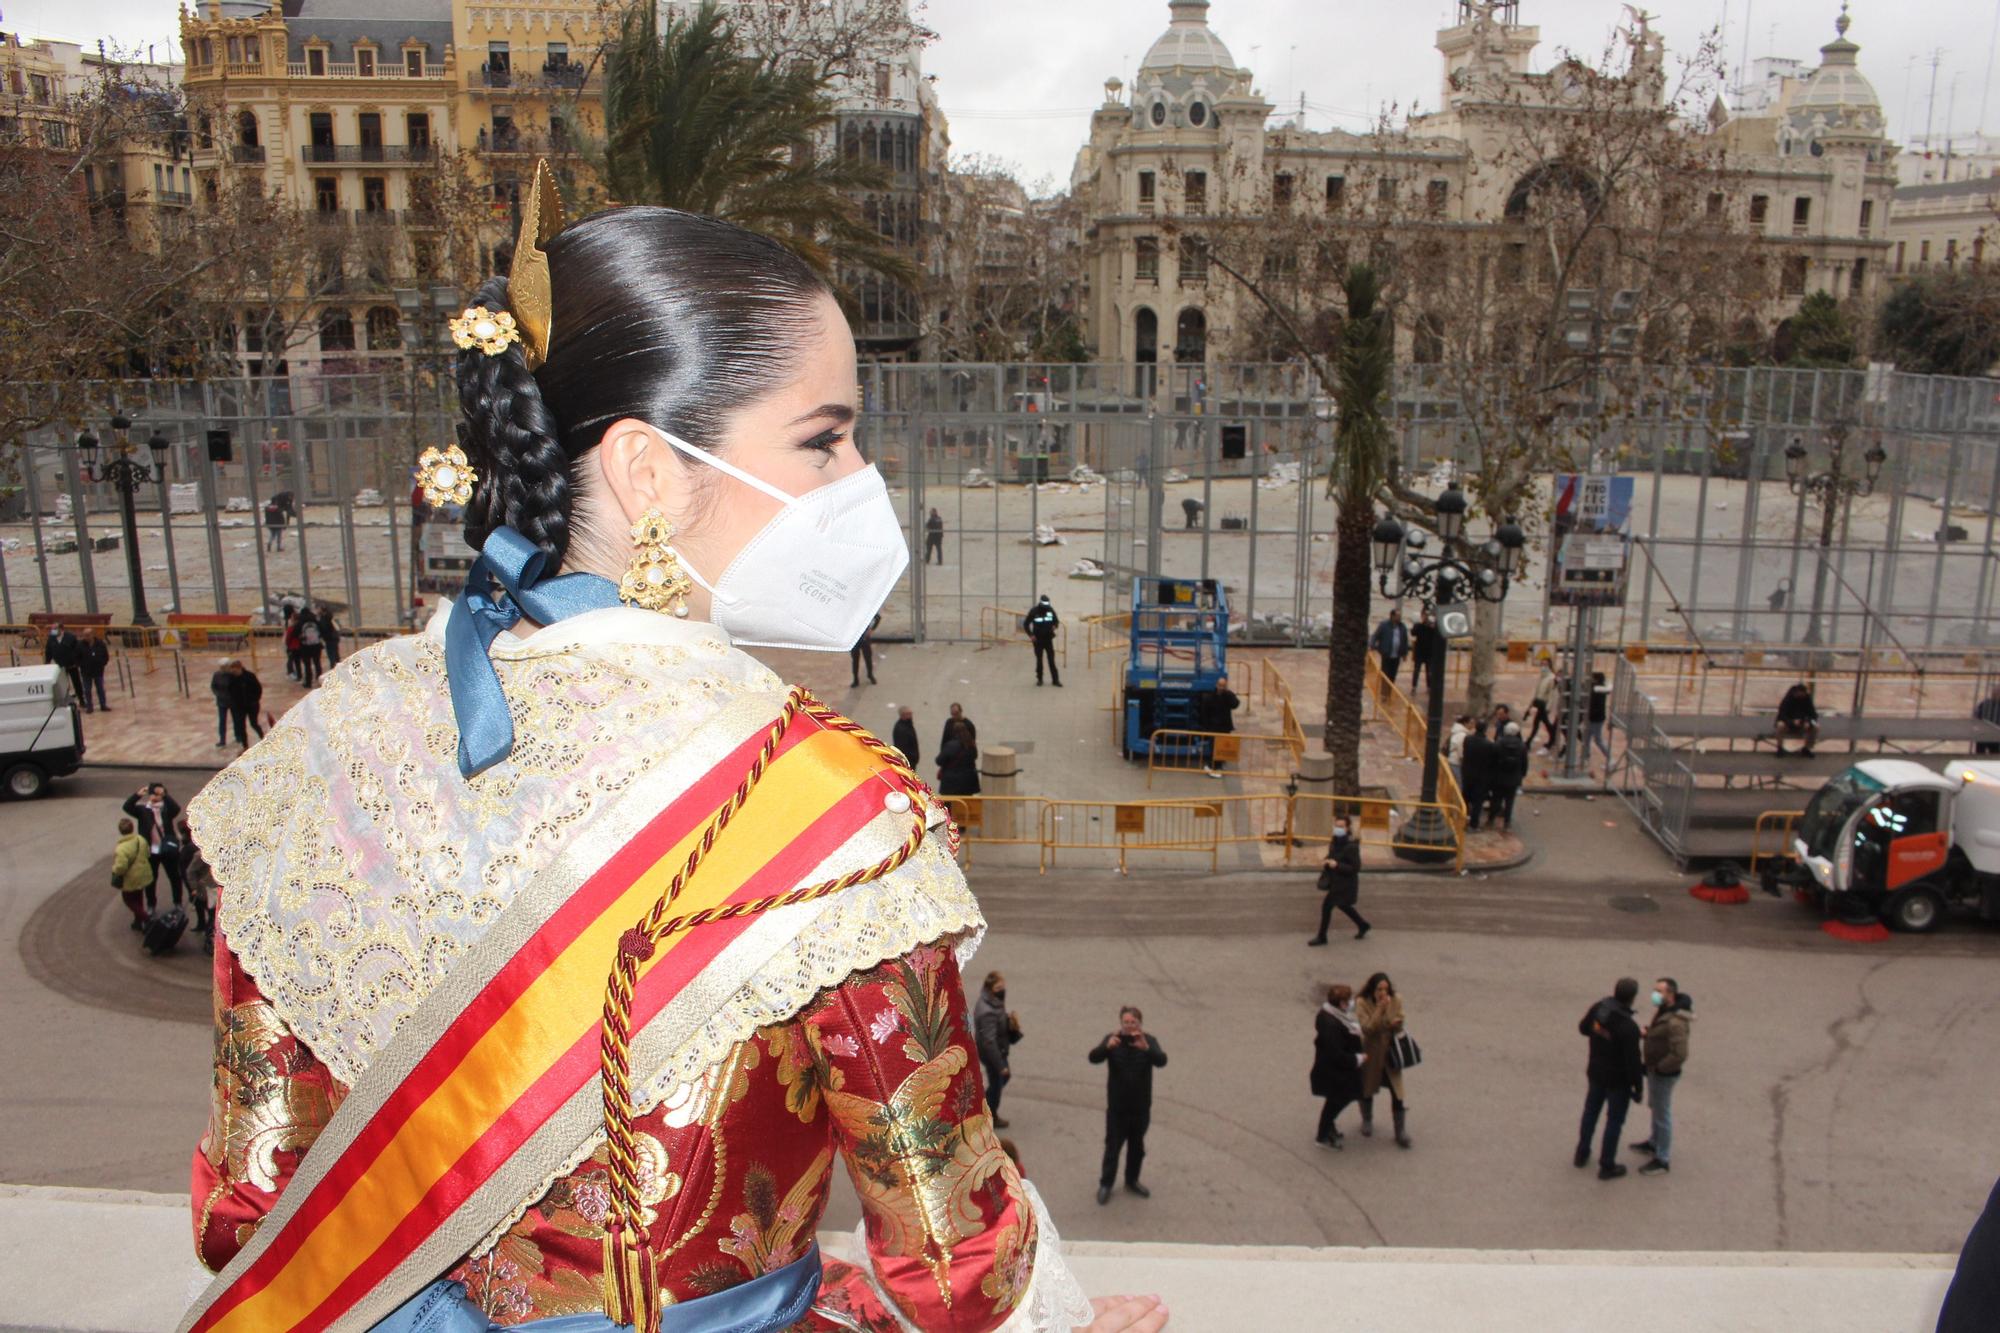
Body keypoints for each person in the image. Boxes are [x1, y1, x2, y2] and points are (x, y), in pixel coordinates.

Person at [179, 189, 1110, 1331]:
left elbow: (248, 1210)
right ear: (648, 473)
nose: (860, 476)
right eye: (823, 439)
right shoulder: (828, 812)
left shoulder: (323, 744)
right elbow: (960, 1268)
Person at [1090, 1005, 1167, 1204]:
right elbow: (1093, 1057)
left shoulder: (1148, 1041)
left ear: (1140, 1024)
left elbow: (1162, 1061)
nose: (1129, 1026)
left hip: (1140, 1108)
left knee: (1137, 1148)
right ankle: (1106, 1183)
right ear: (1121, 1023)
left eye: (1133, 1022)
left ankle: (1132, 1180)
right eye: (1126, 1022)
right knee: (1112, 1148)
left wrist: (1146, 1049)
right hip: (1117, 1109)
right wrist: (1107, 1047)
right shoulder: (1112, 1040)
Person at [1576, 977, 1645, 1180]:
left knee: (1590, 1113)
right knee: (1614, 1121)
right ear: (1632, 998)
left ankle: (1581, 1152)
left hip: (1596, 1072)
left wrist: (1599, 1036)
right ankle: (1607, 1165)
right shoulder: (1628, 1027)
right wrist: (1638, 1088)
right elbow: (1633, 1062)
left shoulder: (1600, 1009)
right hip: (1618, 1082)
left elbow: (1583, 1028)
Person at [1632, 979, 1692, 1176]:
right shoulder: (1666, 1011)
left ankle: (1662, 1159)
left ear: (1670, 994)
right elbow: (1661, 1035)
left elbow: (1680, 1054)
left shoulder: (1676, 1021)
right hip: (1654, 1069)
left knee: (1662, 1113)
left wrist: (1660, 1068)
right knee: (1656, 1107)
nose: (1654, 994)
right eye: (1654, 989)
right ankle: (1654, 1143)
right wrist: (1648, 1034)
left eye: (1659, 991)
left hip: (1663, 1073)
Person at [1357, 972, 1411, 1148]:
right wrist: (1380, 1010)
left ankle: (1400, 1131)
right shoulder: (1362, 1003)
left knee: (1397, 1093)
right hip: (1372, 1052)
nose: (1383, 993)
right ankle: (1367, 1119)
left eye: (1386, 989)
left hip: (1390, 1053)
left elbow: (1401, 1019)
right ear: (1372, 989)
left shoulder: (1395, 1000)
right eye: (1379, 989)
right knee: (1368, 1087)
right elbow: (1368, 1029)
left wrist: (1396, 1022)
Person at [1311, 985, 1366, 1150]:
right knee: (1336, 1102)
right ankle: (1323, 1136)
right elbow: (1337, 1054)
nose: (1351, 1003)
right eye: (1348, 1000)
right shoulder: (1332, 1025)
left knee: (1334, 1102)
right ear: (1341, 1003)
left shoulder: (1332, 1016)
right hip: (1336, 1074)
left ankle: (1329, 1129)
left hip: (1334, 1072)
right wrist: (1358, 1058)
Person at [123, 782, 185, 914]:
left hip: (168, 849)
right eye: (153, 794)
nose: (155, 797)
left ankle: (177, 902)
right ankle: (151, 904)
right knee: (151, 880)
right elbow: (127, 807)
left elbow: (176, 808)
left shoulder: (167, 809)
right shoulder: (143, 810)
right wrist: (138, 795)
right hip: (151, 851)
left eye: (158, 794)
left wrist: (165, 795)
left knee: (174, 877)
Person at [1308, 817, 1370, 944]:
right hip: (1335, 881)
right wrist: (1326, 860)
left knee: (1327, 906)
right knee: (1343, 905)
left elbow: (1355, 868)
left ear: (1347, 828)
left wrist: (1337, 865)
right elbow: (1332, 855)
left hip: (1345, 884)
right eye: (1336, 826)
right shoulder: (1334, 841)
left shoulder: (1351, 846)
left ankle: (1322, 937)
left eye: (1341, 827)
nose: (1338, 829)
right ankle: (1363, 924)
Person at [973, 970, 1020, 1128]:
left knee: (1001, 1081)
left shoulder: (992, 1002)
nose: (1003, 989)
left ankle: (982, 1107)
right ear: (991, 988)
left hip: (995, 1049)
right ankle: (988, 1113)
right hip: (993, 1053)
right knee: (998, 1083)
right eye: (999, 987)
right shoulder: (988, 1011)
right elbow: (989, 1041)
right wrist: (1001, 1066)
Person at [112, 816, 153, 931]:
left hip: (130, 878)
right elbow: (147, 853)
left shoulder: (121, 848)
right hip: (143, 874)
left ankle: (146, 919)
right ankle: (138, 921)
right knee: (138, 897)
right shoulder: (141, 840)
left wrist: (115, 870)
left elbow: (121, 867)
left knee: (128, 900)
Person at [1488, 721, 1528, 832]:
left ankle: (1491, 819)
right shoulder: (1522, 746)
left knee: (1496, 799)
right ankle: (1507, 822)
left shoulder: (1498, 744)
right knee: (1510, 801)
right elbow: (1524, 763)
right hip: (1514, 778)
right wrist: (1522, 775)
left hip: (1498, 777)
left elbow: (1492, 761)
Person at [1199, 674, 1239, 777]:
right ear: (1216, 685)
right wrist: (1206, 727)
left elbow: (1235, 704)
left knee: (1222, 747)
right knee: (1214, 747)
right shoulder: (1209, 698)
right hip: (1214, 727)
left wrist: (1229, 693)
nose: (1221, 688)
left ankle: (1219, 765)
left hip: (1224, 726)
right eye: (1220, 685)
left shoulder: (1227, 696)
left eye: (1223, 686)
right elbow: (1205, 713)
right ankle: (1213, 766)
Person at [1461, 721, 1496, 831]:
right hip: (1481, 777)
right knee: (1478, 801)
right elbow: (1491, 761)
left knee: (1465, 797)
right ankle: (1473, 824)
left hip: (1467, 774)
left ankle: (1463, 819)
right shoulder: (1489, 744)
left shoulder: (1468, 739)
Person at [224, 659, 265, 750]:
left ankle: (263, 737)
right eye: (232, 670)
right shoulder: (232, 678)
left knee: (253, 723)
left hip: (252, 706)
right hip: (239, 707)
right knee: (241, 726)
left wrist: (254, 700)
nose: (234, 672)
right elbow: (230, 690)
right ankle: (245, 746)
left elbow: (258, 689)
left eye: (235, 670)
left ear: (240, 668)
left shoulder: (250, 676)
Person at [937, 717, 981, 796]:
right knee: (965, 805)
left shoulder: (951, 745)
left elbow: (939, 761)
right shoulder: (971, 744)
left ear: (954, 731)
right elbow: (975, 756)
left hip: (951, 783)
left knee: (950, 806)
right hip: (968, 782)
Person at [43, 621, 85, 702]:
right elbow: (48, 650)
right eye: (52, 629)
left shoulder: (71, 637)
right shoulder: (51, 638)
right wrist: (47, 662)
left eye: (55, 629)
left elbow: (77, 650)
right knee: (62, 684)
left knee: (77, 683)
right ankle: (65, 699)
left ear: (61, 629)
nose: (53, 631)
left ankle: (81, 699)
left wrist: (77, 662)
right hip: (60, 666)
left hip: (71, 665)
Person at [1026, 594, 1062, 687]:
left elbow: (1056, 621)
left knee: (1051, 660)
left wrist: (1055, 625)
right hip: (1037, 640)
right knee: (1039, 660)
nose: (1046, 608)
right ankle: (1040, 679)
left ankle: (1055, 680)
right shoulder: (1034, 611)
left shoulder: (1050, 610)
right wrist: (1031, 635)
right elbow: (1026, 624)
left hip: (1048, 639)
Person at [1775, 681, 1819, 757]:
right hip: (1788, 723)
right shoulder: (1787, 699)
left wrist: (1807, 721)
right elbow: (1781, 715)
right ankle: (1780, 748)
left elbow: (1814, 715)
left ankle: (1807, 748)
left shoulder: (1807, 699)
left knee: (1816, 727)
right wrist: (1791, 722)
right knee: (1780, 725)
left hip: (1803, 723)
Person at [1526, 659, 1560, 751]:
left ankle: (1529, 742)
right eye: (1542, 664)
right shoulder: (1542, 677)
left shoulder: (1551, 678)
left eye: (1545, 664)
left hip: (1544, 705)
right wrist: (1532, 703)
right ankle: (1553, 739)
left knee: (1538, 723)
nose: (1543, 666)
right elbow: (1538, 692)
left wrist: (1548, 707)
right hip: (1539, 703)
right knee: (1542, 723)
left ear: (1550, 665)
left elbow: (1551, 694)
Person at [1371, 609, 1409, 691]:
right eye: (1397, 616)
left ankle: (1389, 691)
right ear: (1392, 616)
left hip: (1396, 656)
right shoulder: (1384, 625)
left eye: (1400, 616)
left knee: (1393, 674)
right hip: (1386, 654)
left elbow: (1405, 640)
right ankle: (1384, 692)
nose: (1399, 617)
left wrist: (1404, 654)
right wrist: (1372, 645)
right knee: (1385, 674)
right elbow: (1375, 636)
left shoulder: (1402, 627)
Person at [1585, 671, 1614, 771]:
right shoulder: (1601, 688)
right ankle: (1585, 756)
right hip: (1594, 717)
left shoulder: (1597, 688)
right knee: (1586, 737)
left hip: (1596, 718)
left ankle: (1610, 759)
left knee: (1598, 740)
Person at [78, 628, 111, 713]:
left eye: (88, 635)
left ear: (92, 635)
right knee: (87, 690)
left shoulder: (100, 644)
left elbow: (105, 655)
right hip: (86, 672)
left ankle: (103, 705)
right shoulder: (80, 645)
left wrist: (102, 663)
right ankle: (89, 707)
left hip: (98, 671)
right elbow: (76, 657)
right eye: (84, 635)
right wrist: (81, 665)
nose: (86, 637)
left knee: (100, 689)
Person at [1408, 608, 1438, 695]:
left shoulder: (1432, 626)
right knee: (1416, 670)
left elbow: (1437, 634)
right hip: (1419, 653)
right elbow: (1413, 633)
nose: (1426, 617)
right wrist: (1421, 624)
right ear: (1422, 616)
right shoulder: (1419, 625)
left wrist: (1431, 625)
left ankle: (1429, 687)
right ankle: (1414, 687)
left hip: (1429, 653)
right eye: (1424, 615)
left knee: (1429, 671)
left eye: (1427, 615)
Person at [209, 658, 235, 748]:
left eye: (224, 667)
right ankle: (222, 739)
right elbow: (213, 686)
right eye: (221, 667)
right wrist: (218, 694)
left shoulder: (232, 675)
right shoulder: (217, 675)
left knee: (236, 719)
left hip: (232, 701)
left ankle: (238, 736)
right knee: (222, 721)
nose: (223, 669)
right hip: (222, 701)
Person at [849, 611, 878, 686]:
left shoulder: (866, 607)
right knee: (855, 660)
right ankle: (855, 679)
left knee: (868, 658)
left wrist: (871, 629)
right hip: (854, 638)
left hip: (864, 638)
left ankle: (870, 675)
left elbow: (877, 617)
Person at [297, 612, 324, 687]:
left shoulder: (301, 623)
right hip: (316, 646)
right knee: (317, 664)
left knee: (307, 665)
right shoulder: (316, 623)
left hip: (305, 647)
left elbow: (296, 634)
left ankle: (308, 682)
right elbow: (322, 631)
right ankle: (320, 681)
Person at [890, 704, 919, 770]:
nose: (911, 716)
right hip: (908, 761)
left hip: (911, 760)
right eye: (909, 714)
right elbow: (902, 747)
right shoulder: (901, 729)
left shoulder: (908, 724)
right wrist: (912, 758)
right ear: (903, 715)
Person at [1444, 714, 1471, 785]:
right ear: (1465, 723)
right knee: (1458, 783)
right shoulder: (1462, 735)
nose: (1472, 725)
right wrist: (1464, 761)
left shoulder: (1455, 732)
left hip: (1452, 760)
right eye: (1471, 723)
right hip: (1456, 762)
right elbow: (1461, 750)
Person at [315, 603, 342, 667]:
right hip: (335, 637)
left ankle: (333, 668)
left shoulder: (324, 618)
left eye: (318, 609)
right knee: (336, 653)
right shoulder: (331, 616)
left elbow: (323, 628)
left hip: (329, 638)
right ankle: (339, 667)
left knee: (331, 654)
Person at [1978, 688, 2000, 756]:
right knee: (1980, 754)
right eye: (1995, 693)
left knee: (1995, 754)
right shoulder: (1985, 703)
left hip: (1996, 736)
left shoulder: (1985, 703)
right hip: (1983, 734)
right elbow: (1977, 716)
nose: (1995, 695)